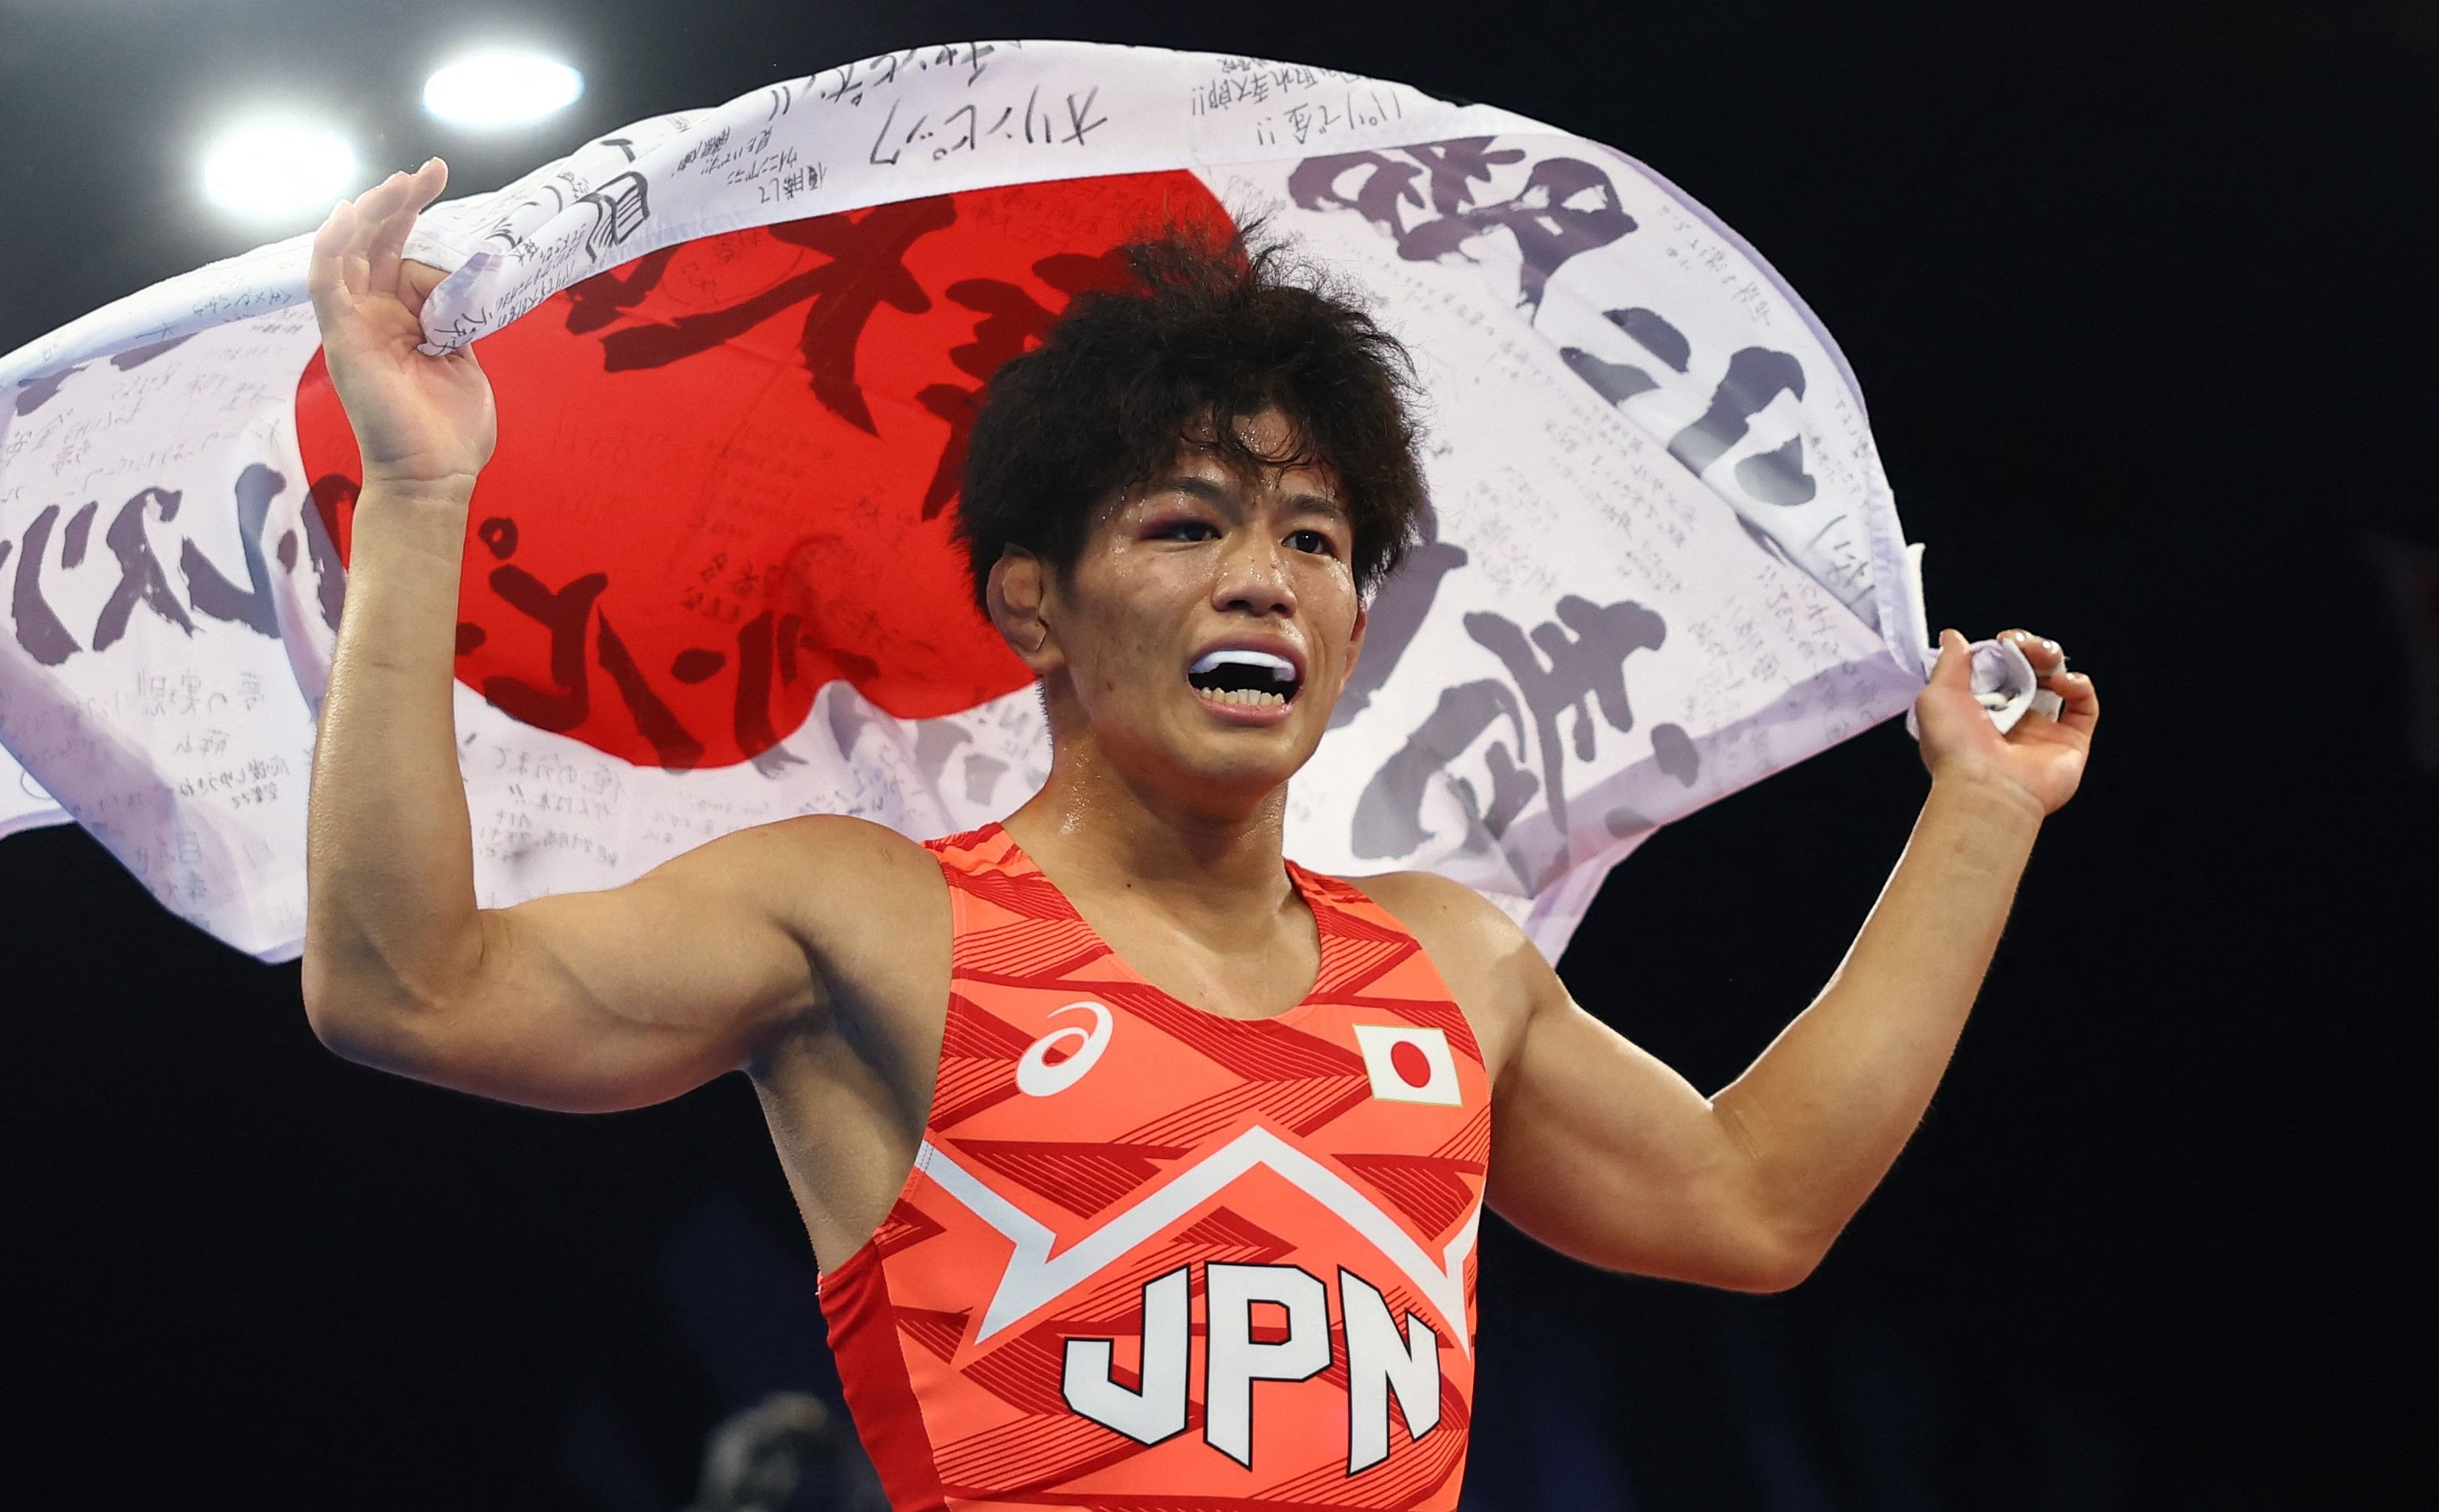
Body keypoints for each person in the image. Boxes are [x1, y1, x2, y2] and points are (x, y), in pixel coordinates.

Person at [300, 159, 2100, 1508]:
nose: (1265, 573)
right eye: (1184, 524)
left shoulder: (1448, 960)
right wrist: (418, 490)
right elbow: (409, 992)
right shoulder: (869, 924)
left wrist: (1981, 811)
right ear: (1031, 607)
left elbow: (1754, 1204)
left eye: (1315, 539)